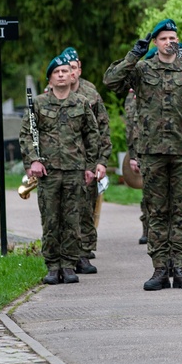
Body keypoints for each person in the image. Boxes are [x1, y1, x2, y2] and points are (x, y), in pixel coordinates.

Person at [103, 19, 182, 290]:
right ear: (155, 43)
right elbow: (111, 81)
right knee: (157, 211)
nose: (170, 41)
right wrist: (135, 53)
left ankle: (181, 267)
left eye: (173, 37)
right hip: (152, 152)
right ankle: (160, 268)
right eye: (164, 38)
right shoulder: (143, 69)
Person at [20, 53, 101, 285]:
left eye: (65, 71)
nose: (62, 75)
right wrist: (33, 161)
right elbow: (26, 134)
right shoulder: (38, 103)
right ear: (50, 79)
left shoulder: (81, 103)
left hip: (75, 170)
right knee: (51, 220)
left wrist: (89, 166)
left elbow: (91, 135)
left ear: (71, 74)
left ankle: (69, 264)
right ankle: (53, 266)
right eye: (57, 72)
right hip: (49, 171)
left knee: (73, 220)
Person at [62, 47, 111, 274]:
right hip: (62, 162)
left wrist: (101, 161)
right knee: (64, 210)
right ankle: (65, 255)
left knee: (86, 209)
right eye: (66, 68)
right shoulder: (51, 93)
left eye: (73, 68)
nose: (70, 73)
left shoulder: (91, 93)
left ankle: (83, 253)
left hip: (87, 161)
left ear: (79, 69)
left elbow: (103, 128)